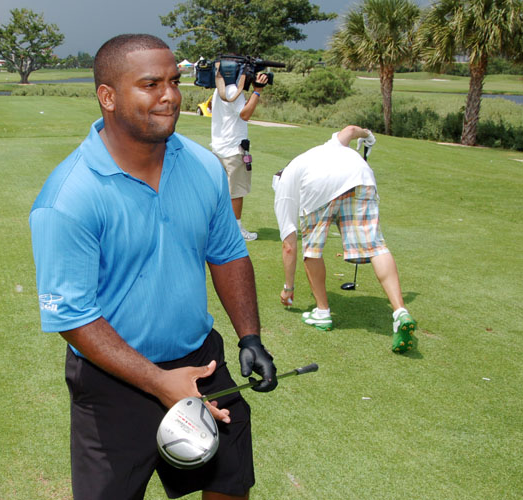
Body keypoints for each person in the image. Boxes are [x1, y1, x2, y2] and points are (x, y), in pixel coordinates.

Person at [30, 34, 278, 500]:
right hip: (113, 380)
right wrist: (160, 382)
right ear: (108, 97)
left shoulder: (203, 167)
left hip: (199, 361)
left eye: (174, 81)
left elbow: (227, 253)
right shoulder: (69, 197)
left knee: (230, 481)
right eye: (150, 84)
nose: (170, 96)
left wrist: (250, 337)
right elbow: (74, 317)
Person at [272, 125, 417, 353]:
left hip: (318, 184)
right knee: (376, 246)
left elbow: (289, 246)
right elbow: (350, 130)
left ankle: (322, 312)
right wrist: (368, 136)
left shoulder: (284, 190)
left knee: (313, 249)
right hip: (360, 177)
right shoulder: (327, 147)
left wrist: (288, 288)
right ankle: (400, 310)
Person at [211, 69, 269, 241]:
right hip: (233, 149)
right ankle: (236, 230)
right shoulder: (233, 91)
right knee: (236, 192)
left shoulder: (220, 89)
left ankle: (220, 227)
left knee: (222, 191)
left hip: (219, 147)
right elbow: (245, 114)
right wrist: (257, 91)